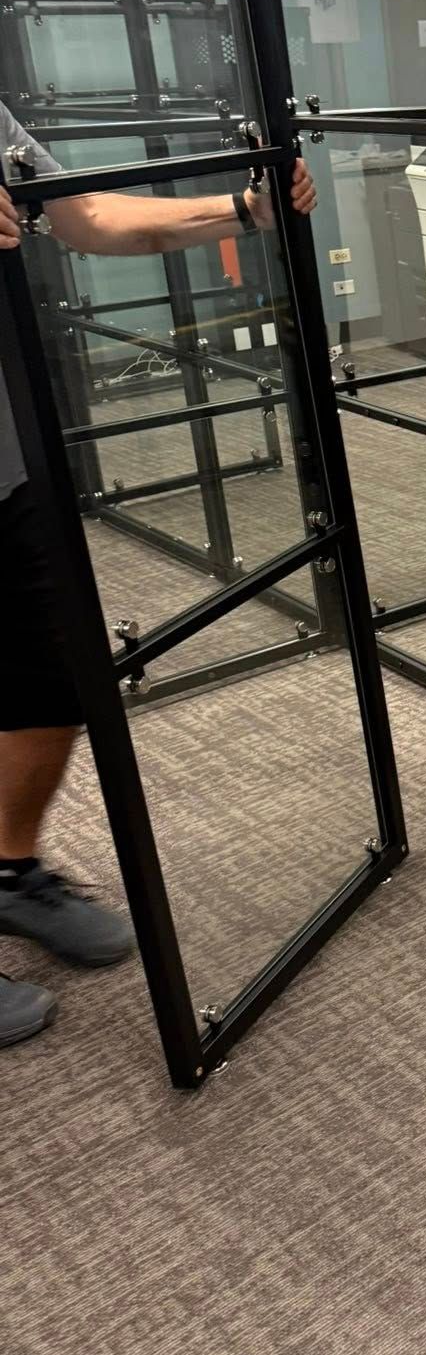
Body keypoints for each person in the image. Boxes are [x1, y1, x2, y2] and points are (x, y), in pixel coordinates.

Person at [0, 100, 317, 1046]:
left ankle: (10, 871)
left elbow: (85, 217)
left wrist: (246, 209)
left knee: (53, 683)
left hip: (10, 464)